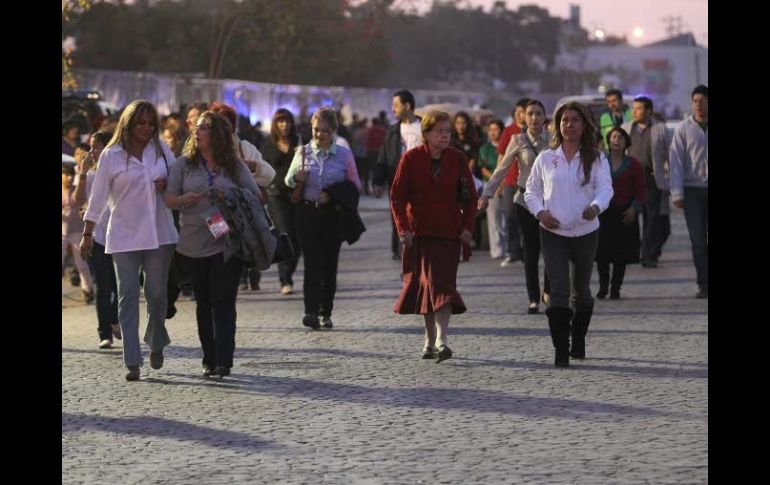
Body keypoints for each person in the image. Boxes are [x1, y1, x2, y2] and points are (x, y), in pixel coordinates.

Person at [80, 100, 179, 381]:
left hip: (159, 232)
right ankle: (132, 360)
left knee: (157, 294)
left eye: (151, 123)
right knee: (127, 297)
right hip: (124, 234)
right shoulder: (111, 155)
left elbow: (179, 178)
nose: (147, 128)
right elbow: (97, 199)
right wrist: (88, 234)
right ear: (128, 123)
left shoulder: (160, 149)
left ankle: (156, 339)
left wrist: (167, 184)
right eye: (141, 123)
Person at [164, 111, 260, 378]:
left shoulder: (234, 165)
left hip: (226, 242)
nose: (197, 131)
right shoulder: (183, 164)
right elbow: (169, 198)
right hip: (192, 243)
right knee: (203, 302)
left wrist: (230, 194)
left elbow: (256, 196)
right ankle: (209, 357)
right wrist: (187, 199)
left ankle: (224, 360)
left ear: (217, 134)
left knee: (224, 300)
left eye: (204, 127)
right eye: (196, 127)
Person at [524, 101, 613, 367]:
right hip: (553, 232)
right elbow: (532, 191)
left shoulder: (596, 158)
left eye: (575, 120)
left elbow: (606, 189)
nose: (569, 125)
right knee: (559, 289)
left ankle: (578, 338)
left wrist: (595, 207)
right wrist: (541, 213)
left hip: (586, 231)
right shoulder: (546, 158)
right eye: (564, 120)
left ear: (584, 125)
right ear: (557, 125)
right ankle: (561, 350)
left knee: (581, 291)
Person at [390, 111, 478, 363]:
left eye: (448, 131)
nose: (445, 135)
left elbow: (471, 198)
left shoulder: (458, 159)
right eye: (439, 131)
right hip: (419, 234)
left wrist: (467, 227)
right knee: (424, 287)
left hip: (448, 233)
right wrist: (403, 228)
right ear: (426, 133)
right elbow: (397, 196)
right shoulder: (411, 159)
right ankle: (429, 340)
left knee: (444, 287)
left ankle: (442, 339)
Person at [285, 107, 362, 330]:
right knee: (312, 264)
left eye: (324, 131)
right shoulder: (302, 152)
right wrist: (296, 177)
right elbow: (288, 180)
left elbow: (355, 185)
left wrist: (334, 194)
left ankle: (324, 311)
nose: (319, 135)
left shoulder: (344, 155)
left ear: (334, 131)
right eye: (316, 130)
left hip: (332, 216)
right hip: (307, 214)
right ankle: (309, 311)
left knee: (329, 265)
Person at [479, 100, 552, 314]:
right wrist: (487, 193)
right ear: (523, 117)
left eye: (539, 113)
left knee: (549, 249)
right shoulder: (517, 139)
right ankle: (533, 298)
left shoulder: (553, 140)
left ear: (544, 116)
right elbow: (501, 169)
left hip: (549, 201)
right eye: (530, 114)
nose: (534, 118)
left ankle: (548, 291)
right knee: (530, 250)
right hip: (526, 201)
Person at [209, 101, 276, 292]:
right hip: (213, 212)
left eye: (226, 124)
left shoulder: (243, 148)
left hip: (243, 210)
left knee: (248, 242)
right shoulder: (201, 150)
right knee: (220, 248)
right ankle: (229, 278)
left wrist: (254, 167)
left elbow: (269, 175)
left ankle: (247, 274)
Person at [73, 130, 121, 349]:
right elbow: (79, 200)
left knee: (120, 286)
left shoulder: (120, 169)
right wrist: (82, 174)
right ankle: (105, 332)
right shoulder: (90, 173)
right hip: (98, 236)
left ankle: (115, 319)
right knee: (103, 286)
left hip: (120, 236)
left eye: (97, 146)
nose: (92, 151)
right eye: (91, 146)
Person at [595, 127, 646, 300]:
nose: (617, 140)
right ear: (608, 140)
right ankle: (603, 286)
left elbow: (640, 191)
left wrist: (634, 208)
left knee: (620, 255)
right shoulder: (600, 163)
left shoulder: (634, 164)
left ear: (626, 142)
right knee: (602, 253)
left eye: (621, 137)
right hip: (603, 212)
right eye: (614, 137)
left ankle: (615, 288)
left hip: (624, 213)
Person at [669, 85, 708, 299]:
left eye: (703, 100)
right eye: (695, 101)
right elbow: (676, 161)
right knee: (698, 240)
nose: (699, 104)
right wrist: (677, 193)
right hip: (692, 192)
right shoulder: (684, 128)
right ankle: (704, 284)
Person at [372, 90, 422, 260]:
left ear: (407, 106)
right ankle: (399, 250)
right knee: (397, 217)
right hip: (398, 180)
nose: (392, 109)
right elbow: (383, 157)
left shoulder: (425, 128)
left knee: (419, 216)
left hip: (421, 183)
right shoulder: (392, 131)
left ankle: (419, 248)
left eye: (396, 105)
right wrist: (378, 182)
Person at [621, 96, 669, 269]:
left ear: (649, 110)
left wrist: (669, 178)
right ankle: (631, 253)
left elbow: (669, 155)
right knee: (629, 218)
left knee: (652, 220)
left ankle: (648, 255)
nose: (634, 111)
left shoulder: (660, 129)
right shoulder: (626, 128)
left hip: (650, 179)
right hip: (628, 180)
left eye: (639, 108)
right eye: (633, 108)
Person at [262, 108, 302, 295]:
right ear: (275, 124)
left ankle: (289, 272)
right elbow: (261, 170)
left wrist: (300, 189)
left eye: (287, 121)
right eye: (280, 121)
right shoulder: (268, 145)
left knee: (298, 238)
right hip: (276, 195)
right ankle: (284, 278)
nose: (284, 125)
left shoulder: (299, 142)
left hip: (296, 194)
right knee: (285, 233)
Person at [63, 162, 94, 303]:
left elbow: (83, 203)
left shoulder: (78, 189)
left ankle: (87, 289)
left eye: (71, 174)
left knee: (81, 263)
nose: (69, 177)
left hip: (76, 230)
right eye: (66, 174)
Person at [478, 119, 506, 259]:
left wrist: (502, 183)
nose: (493, 133)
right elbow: (483, 169)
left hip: (506, 185)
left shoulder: (507, 147)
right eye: (491, 130)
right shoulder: (485, 148)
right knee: (493, 219)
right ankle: (496, 249)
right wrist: (496, 182)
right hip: (490, 186)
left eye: (496, 129)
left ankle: (507, 248)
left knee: (506, 218)